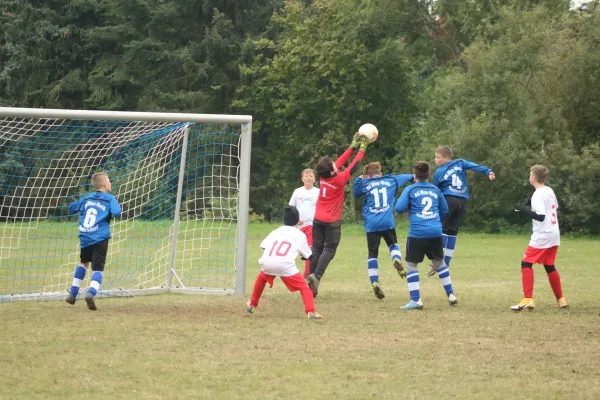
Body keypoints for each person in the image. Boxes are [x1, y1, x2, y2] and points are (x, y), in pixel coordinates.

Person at [306, 134, 369, 297]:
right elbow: (354, 164)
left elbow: (341, 161)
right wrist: (362, 148)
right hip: (332, 221)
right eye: (333, 164)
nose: (336, 163)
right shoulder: (340, 178)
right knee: (330, 249)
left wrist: (352, 146)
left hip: (317, 218)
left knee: (316, 248)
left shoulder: (323, 175)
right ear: (333, 169)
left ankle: (310, 286)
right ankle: (316, 276)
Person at [394, 161, 457, 310]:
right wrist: (434, 220)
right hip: (435, 231)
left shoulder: (410, 189)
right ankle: (451, 295)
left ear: (414, 175)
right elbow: (445, 210)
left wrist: (409, 209)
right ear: (428, 175)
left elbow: (398, 208)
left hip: (418, 232)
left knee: (410, 265)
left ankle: (416, 300)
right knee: (439, 263)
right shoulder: (435, 190)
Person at [429, 146, 496, 276]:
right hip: (462, 201)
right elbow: (474, 166)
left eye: (438, 157)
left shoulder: (439, 172)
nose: (435, 160)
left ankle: (438, 262)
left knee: (442, 229)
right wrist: (487, 171)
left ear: (447, 158)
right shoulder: (460, 163)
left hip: (449, 199)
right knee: (453, 231)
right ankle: (446, 262)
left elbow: (437, 191)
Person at [246, 206, 323, 319]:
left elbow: (263, 246)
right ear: (298, 220)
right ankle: (311, 311)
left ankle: (252, 305)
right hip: (285, 264)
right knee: (305, 287)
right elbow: (309, 255)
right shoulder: (300, 234)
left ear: (284, 219)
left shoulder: (275, 231)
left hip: (268, 261)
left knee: (261, 279)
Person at [353, 162, 413, 299]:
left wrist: (360, 178)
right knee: (393, 245)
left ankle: (374, 282)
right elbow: (410, 176)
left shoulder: (365, 183)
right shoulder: (391, 179)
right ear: (380, 173)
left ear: (367, 176)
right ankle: (396, 259)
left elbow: (356, 193)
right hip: (387, 221)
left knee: (373, 253)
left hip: (372, 224)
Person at [511, 165, 568, 311]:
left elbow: (541, 216)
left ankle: (528, 299)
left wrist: (523, 210)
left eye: (530, 174)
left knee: (526, 263)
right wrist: (530, 202)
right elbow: (551, 207)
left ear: (534, 178)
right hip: (554, 233)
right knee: (549, 265)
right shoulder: (548, 190)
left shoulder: (538, 194)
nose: (529, 176)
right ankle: (561, 299)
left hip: (543, 234)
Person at [65, 172, 122, 311]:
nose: (110, 184)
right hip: (100, 237)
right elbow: (117, 212)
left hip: (85, 236)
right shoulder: (109, 198)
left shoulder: (86, 198)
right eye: (109, 181)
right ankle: (91, 293)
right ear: (104, 184)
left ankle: (73, 294)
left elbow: (72, 208)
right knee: (98, 268)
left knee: (84, 263)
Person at [288, 168, 319, 276]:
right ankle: (289, 271)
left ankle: (307, 273)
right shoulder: (297, 191)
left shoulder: (317, 192)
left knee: (309, 249)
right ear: (302, 179)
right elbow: (291, 208)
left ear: (314, 179)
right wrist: (295, 220)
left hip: (312, 225)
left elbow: (321, 208)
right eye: (306, 176)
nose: (308, 178)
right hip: (298, 227)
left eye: (311, 176)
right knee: (294, 249)